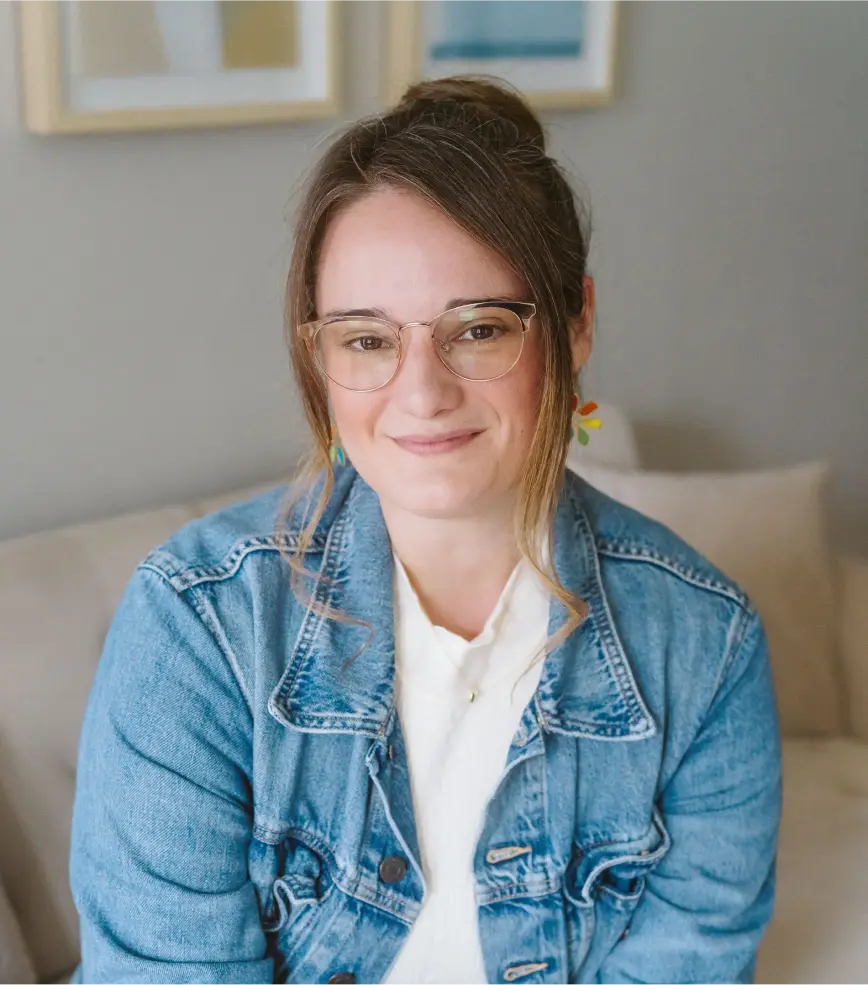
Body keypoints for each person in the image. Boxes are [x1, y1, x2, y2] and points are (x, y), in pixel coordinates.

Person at [69, 77, 782, 984]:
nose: (421, 392)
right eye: (367, 339)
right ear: (318, 356)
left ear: (577, 323)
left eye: (478, 328)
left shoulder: (705, 645)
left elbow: (692, 964)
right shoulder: (199, 627)